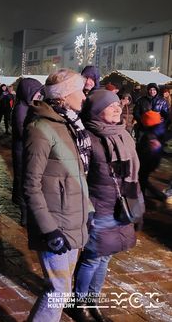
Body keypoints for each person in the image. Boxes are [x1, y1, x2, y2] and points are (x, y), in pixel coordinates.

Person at [23, 69, 92, 322]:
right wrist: (48, 229)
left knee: (62, 289)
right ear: (63, 96)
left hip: (73, 217)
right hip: (55, 223)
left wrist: (89, 210)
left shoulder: (71, 125)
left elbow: (77, 175)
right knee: (58, 291)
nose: (84, 97)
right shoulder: (41, 127)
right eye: (79, 91)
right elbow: (30, 184)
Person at [71, 89, 142, 322]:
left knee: (106, 257)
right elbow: (80, 177)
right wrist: (86, 210)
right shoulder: (87, 138)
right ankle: (79, 303)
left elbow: (132, 175)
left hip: (120, 205)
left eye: (118, 105)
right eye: (110, 106)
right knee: (93, 257)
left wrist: (136, 205)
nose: (117, 108)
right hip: (98, 206)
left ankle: (93, 300)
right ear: (96, 110)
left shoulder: (123, 134)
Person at [11, 77, 43, 226]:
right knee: (24, 180)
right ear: (28, 92)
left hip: (26, 149)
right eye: (36, 92)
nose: (39, 95)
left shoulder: (29, 106)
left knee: (27, 179)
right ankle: (24, 213)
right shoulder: (21, 109)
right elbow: (22, 132)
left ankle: (27, 211)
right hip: (22, 151)